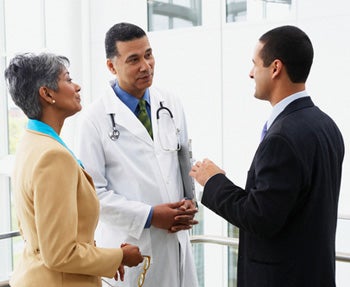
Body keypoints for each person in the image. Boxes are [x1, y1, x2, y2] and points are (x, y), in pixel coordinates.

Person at [190, 25, 344, 287]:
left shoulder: (282, 138)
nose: (250, 73)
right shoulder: (327, 126)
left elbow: (260, 217)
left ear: (275, 68)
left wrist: (214, 181)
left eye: (254, 64)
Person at [4, 52, 144, 287]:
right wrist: (119, 257)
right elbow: (60, 253)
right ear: (47, 94)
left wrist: (102, 257)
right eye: (68, 80)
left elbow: (45, 237)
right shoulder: (53, 156)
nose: (77, 86)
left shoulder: (30, 142)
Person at [76, 22, 199, 287]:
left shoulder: (171, 103)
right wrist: (151, 215)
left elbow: (184, 161)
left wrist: (190, 200)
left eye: (148, 54)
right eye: (133, 59)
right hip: (133, 248)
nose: (146, 65)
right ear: (112, 66)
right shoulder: (94, 120)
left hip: (176, 240)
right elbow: (93, 195)